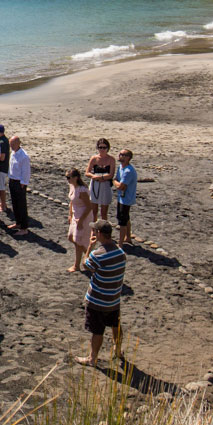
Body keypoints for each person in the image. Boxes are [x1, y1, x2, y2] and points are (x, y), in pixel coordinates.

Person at [76, 220, 125, 367]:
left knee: (97, 331)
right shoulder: (121, 253)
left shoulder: (98, 255)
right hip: (114, 299)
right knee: (115, 326)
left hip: (97, 301)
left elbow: (86, 264)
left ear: (100, 234)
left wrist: (90, 247)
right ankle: (118, 350)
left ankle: (93, 358)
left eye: (95, 232)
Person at [66, 169, 94, 272]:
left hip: (83, 216)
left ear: (76, 177)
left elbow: (89, 207)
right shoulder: (73, 186)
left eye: (69, 177)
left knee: (78, 241)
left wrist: (81, 220)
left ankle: (77, 265)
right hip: (75, 215)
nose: (67, 180)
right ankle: (90, 257)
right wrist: (70, 214)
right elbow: (72, 202)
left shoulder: (82, 190)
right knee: (71, 237)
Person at [86, 139, 115, 229]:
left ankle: (104, 229)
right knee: (94, 209)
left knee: (104, 211)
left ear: (107, 148)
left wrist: (102, 178)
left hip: (105, 185)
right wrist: (94, 177)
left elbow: (111, 174)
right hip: (95, 184)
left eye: (104, 147)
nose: (102, 149)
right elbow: (87, 172)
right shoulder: (94, 158)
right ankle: (94, 229)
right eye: (100, 147)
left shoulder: (111, 159)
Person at [113, 148, 138, 245]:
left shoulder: (128, 171)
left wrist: (114, 182)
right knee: (126, 218)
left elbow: (121, 186)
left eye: (124, 155)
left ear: (129, 158)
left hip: (126, 199)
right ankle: (128, 237)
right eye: (120, 154)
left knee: (122, 221)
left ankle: (120, 244)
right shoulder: (120, 167)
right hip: (122, 198)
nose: (121, 156)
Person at [7, 136, 31, 234]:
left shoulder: (24, 156)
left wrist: (23, 183)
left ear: (18, 143)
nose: (11, 146)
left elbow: (26, 171)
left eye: (13, 144)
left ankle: (24, 228)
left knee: (21, 205)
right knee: (15, 203)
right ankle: (18, 222)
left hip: (19, 182)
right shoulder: (13, 153)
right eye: (10, 144)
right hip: (12, 180)